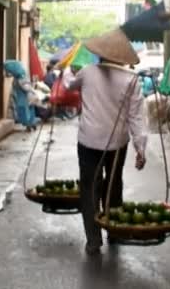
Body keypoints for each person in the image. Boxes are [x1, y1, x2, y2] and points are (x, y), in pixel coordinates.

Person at [63, 29, 147, 256]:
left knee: (90, 187)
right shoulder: (132, 80)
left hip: (89, 140)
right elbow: (136, 117)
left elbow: (69, 85)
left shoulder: (88, 72)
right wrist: (141, 148)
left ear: (99, 54)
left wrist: (65, 72)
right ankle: (114, 231)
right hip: (117, 144)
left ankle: (93, 239)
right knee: (113, 184)